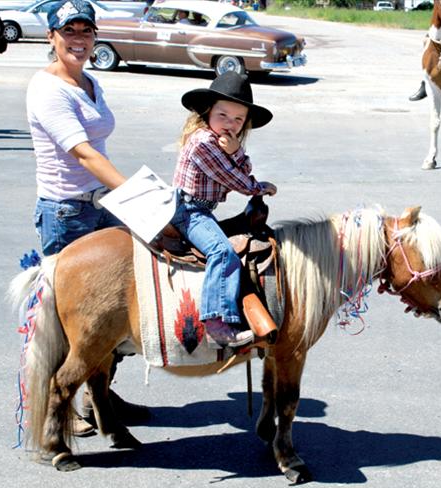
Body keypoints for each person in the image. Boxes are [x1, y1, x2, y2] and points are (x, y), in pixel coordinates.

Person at [25, 0, 148, 437]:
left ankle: (102, 396)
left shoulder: (90, 81)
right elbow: (83, 152)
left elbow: (99, 147)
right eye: (68, 32)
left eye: (86, 32)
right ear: (51, 37)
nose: (79, 40)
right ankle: (67, 404)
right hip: (67, 212)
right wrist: (134, 193)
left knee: (111, 314)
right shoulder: (46, 89)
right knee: (70, 322)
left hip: (101, 207)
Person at [170, 71, 278, 348]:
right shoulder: (203, 142)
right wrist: (257, 188)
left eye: (238, 119)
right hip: (189, 211)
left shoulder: (223, 142)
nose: (230, 124)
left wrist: (236, 151)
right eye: (223, 115)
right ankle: (216, 320)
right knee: (223, 252)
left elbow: (241, 168)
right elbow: (233, 178)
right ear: (208, 112)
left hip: (202, 209)